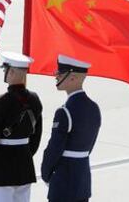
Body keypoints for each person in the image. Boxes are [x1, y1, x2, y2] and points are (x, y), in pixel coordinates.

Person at [0, 51, 43, 202]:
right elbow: (36, 135)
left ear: (13, 72)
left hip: (3, 165)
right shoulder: (35, 99)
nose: (5, 73)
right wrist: (26, 153)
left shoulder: (0, 102)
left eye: (6, 70)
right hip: (25, 163)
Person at [41, 54, 101, 202]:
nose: (56, 76)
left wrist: (46, 173)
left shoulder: (65, 111)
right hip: (82, 179)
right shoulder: (94, 108)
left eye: (60, 73)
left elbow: (54, 148)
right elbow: (90, 146)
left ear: (73, 77)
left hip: (63, 180)